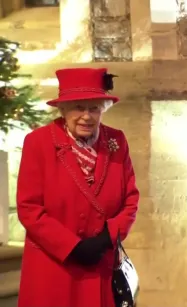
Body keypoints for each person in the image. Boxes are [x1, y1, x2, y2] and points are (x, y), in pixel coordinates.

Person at [16, 68, 139, 307]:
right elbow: (28, 208)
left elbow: (131, 200)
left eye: (94, 108)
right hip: (53, 268)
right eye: (78, 107)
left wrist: (106, 238)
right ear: (63, 110)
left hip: (100, 266)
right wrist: (71, 247)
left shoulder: (117, 142)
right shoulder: (38, 142)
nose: (87, 116)